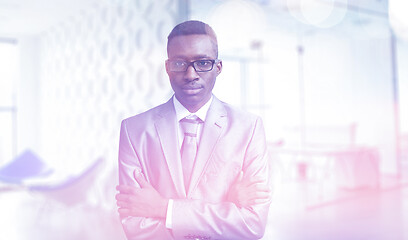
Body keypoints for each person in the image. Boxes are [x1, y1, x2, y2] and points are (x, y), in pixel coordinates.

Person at [116, 20, 271, 240]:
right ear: (167, 67)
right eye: (180, 63)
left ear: (218, 67)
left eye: (203, 63)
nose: (191, 75)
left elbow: (252, 226)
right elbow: (136, 227)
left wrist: (164, 209)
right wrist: (227, 206)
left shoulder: (249, 128)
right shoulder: (134, 130)